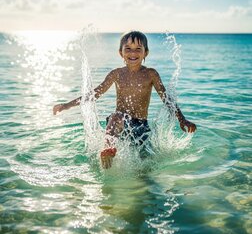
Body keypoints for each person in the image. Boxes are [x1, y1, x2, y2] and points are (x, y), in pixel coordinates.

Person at [53, 31, 196, 169]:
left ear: (145, 53)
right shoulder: (116, 74)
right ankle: (108, 150)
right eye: (128, 49)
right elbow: (94, 94)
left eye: (138, 49)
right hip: (119, 125)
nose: (132, 53)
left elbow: (166, 99)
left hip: (141, 127)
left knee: (145, 169)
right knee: (116, 117)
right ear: (120, 53)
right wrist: (67, 105)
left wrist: (182, 119)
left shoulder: (150, 74)